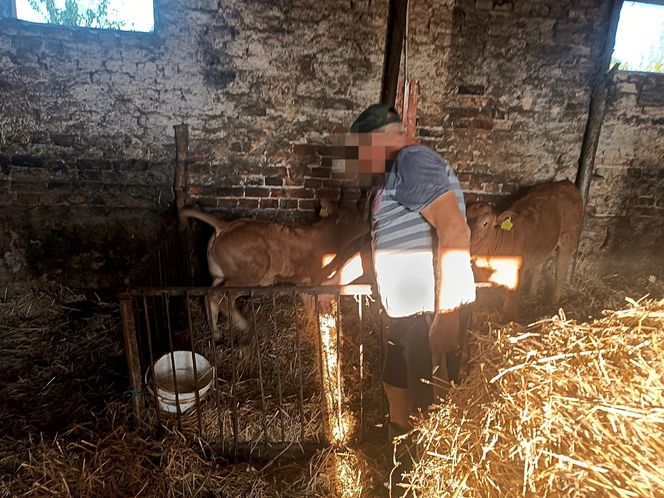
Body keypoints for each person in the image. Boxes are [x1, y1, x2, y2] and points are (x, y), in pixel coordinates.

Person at [341, 103, 476, 494]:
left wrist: (447, 316)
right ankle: (402, 480)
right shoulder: (388, 182)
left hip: (427, 316)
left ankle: (430, 485)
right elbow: (377, 248)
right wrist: (334, 280)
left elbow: (455, 230)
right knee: (396, 392)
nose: (358, 162)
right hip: (401, 316)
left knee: (430, 411)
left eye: (359, 151)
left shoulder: (413, 161)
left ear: (376, 141)